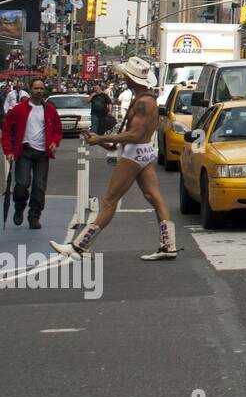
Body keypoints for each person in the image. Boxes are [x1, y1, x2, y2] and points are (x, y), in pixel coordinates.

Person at [51, 57, 175, 261]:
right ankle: (168, 245)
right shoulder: (144, 99)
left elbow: (133, 135)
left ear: (133, 79)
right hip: (142, 152)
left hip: (134, 153)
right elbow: (127, 136)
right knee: (154, 197)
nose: (124, 79)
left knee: (109, 200)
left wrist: (101, 138)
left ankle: (80, 246)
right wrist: (101, 141)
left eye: (126, 76)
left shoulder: (144, 103)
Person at [1, 78, 62, 229]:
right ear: (30, 89)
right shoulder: (18, 109)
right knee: (22, 185)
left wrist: (55, 142)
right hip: (24, 152)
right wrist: (8, 150)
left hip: (42, 154)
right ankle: (19, 207)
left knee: (39, 187)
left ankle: (34, 216)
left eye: (41, 89)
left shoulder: (50, 110)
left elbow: (57, 130)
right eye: (36, 88)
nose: (39, 91)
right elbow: (7, 130)